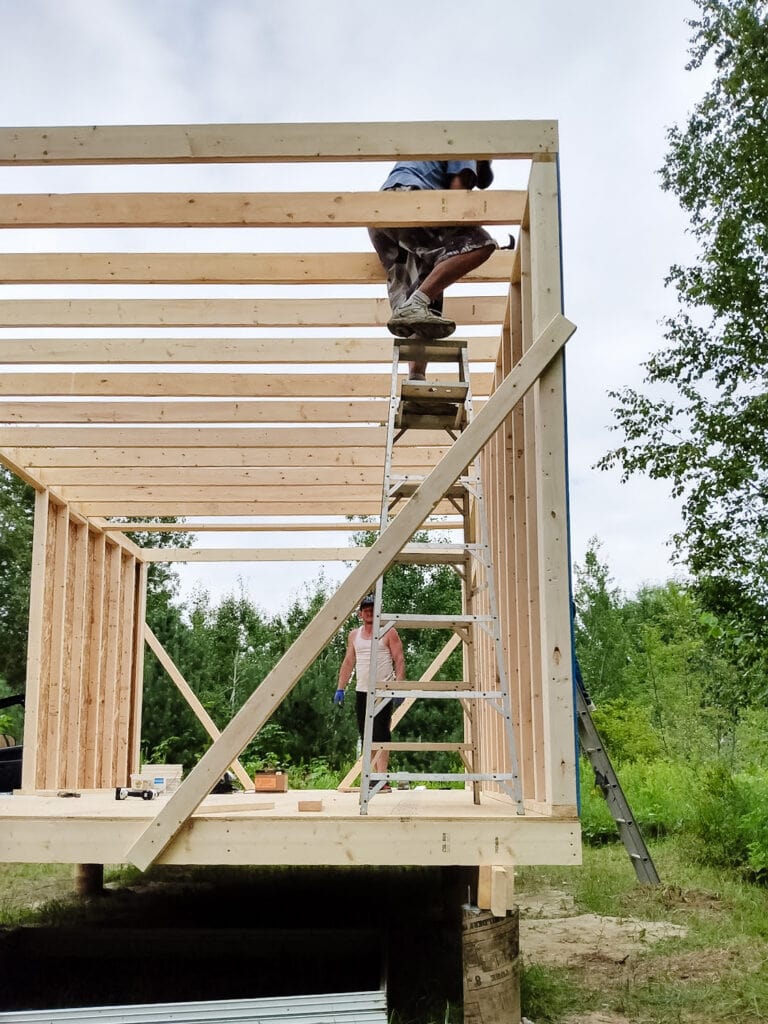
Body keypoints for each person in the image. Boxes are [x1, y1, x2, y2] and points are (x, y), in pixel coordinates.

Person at [368, 160, 497, 380]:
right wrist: (464, 244)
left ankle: (416, 378)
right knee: (481, 243)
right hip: (412, 200)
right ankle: (417, 304)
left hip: (381, 218)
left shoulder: (429, 157)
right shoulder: (467, 147)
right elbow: (457, 195)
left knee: (422, 305)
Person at [334, 593, 406, 789]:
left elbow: (399, 659)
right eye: (366, 610)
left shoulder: (388, 633)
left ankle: (382, 777)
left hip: (383, 690)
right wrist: (340, 688)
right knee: (366, 734)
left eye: (372, 610)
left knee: (381, 733)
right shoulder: (354, 635)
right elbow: (349, 661)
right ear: (360, 614)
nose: (369, 613)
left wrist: (399, 687)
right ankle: (374, 776)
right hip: (362, 691)